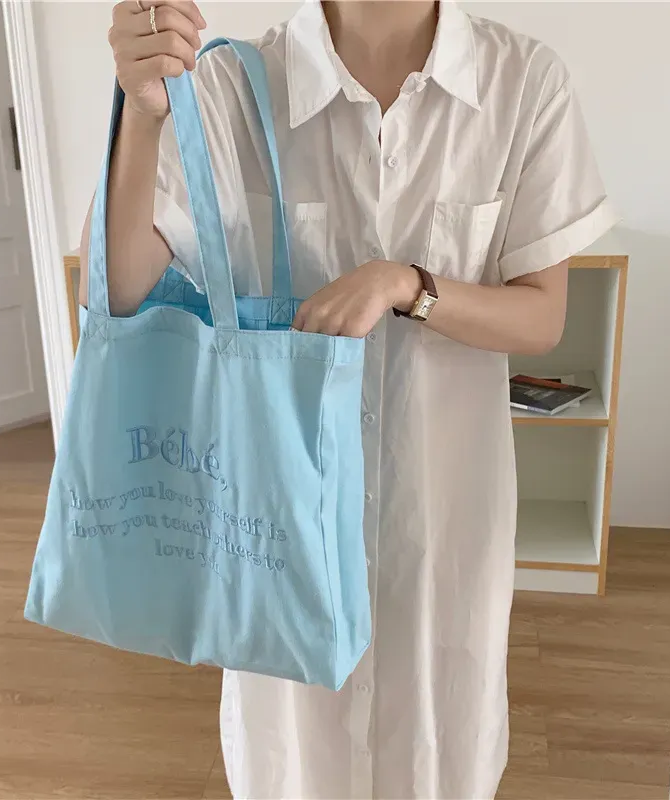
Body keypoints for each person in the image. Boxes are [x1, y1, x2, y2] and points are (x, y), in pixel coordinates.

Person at [79, 0, 619, 796]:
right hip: (276, 525)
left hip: (441, 515)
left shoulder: (521, 82)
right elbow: (120, 289)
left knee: (439, 751)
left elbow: (542, 318)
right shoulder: (231, 85)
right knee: (294, 760)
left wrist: (408, 285)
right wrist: (142, 112)